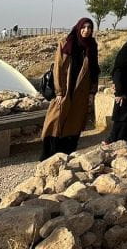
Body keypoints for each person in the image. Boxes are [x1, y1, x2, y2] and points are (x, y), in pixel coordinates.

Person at [41, 17, 100, 159]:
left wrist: (92, 91)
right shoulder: (67, 43)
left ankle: (67, 155)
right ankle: (48, 156)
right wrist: (59, 91)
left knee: (74, 122)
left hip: (81, 91)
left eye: (89, 28)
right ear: (78, 28)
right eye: (84, 27)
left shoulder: (91, 46)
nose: (86, 30)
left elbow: (94, 70)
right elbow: (58, 68)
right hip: (64, 89)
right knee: (55, 120)